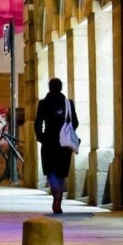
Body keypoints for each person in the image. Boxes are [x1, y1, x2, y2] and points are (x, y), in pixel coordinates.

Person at [35, 77, 79, 214]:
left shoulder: (44, 103)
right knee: (61, 173)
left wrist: (41, 137)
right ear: (61, 88)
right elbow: (75, 122)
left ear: (49, 88)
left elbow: (38, 122)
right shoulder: (68, 103)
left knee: (51, 171)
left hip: (49, 141)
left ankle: (56, 195)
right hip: (65, 144)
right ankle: (59, 200)